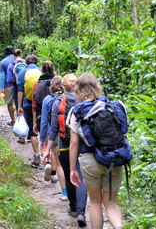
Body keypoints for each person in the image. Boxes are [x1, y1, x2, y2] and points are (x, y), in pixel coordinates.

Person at [69, 73, 124, 229]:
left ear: (78, 89)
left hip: (90, 160)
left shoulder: (77, 110)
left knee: (95, 202)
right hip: (113, 158)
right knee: (111, 202)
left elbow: (74, 143)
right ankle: (119, 227)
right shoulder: (110, 106)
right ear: (96, 87)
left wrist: (73, 169)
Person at [43, 73, 87, 227]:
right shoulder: (83, 101)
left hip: (64, 144)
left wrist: (48, 149)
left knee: (69, 175)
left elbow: (54, 128)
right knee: (81, 176)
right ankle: (82, 212)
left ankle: (73, 208)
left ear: (63, 86)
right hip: (83, 145)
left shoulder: (58, 102)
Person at [38, 75, 67, 201]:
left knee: (59, 161)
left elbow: (44, 121)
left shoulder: (47, 99)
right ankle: (75, 191)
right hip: (69, 133)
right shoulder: (69, 98)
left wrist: (42, 138)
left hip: (53, 134)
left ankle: (65, 192)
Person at [17, 54, 42, 166]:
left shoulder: (23, 73)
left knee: (33, 130)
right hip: (42, 104)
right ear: (36, 62)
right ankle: (48, 157)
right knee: (44, 130)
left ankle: (36, 155)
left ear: (26, 63)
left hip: (28, 104)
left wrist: (19, 106)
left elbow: (20, 91)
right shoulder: (41, 71)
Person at [0, 45, 15, 126]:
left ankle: (13, 120)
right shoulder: (19, 60)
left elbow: (2, 76)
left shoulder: (3, 62)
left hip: (8, 85)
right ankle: (22, 120)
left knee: (9, 103)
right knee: (20, 103)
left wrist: (1, 88)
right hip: (19, 85)